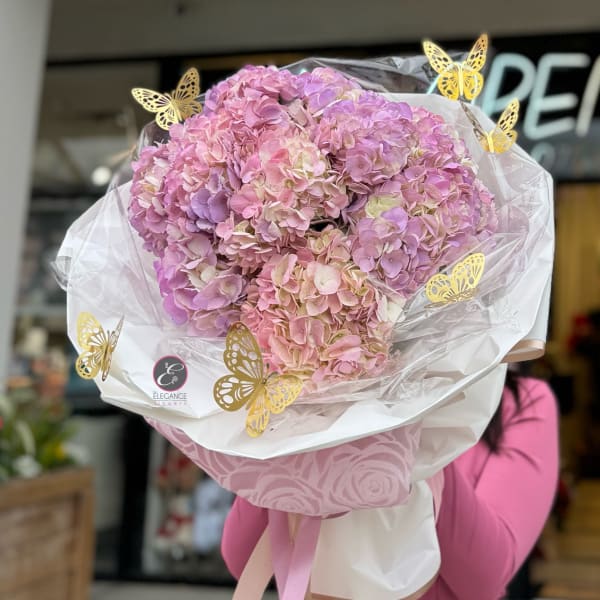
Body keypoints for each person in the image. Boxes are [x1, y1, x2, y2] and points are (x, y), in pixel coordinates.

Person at [221, 372, 559, 600]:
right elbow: (241, 557)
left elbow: (485, 578)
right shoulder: (318, 399)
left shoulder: (524, 401)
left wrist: (414, 425)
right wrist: (306, 413)